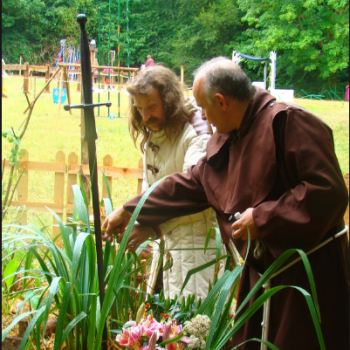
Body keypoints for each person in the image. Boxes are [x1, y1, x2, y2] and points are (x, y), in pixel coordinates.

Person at [102, 57, 349, 349]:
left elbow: (327, 191)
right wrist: (132, 210)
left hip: (308, 279)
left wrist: (263, 218)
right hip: (263, 275)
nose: (202, 118)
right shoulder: (231, 135)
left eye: (204, 108)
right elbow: (190, 183)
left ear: (221, 102)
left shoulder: (289, 122)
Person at [104, 65, 226, 301]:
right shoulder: (153, 133)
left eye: (151, 106)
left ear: (169, 100)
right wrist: (139, 223)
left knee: (192, 329)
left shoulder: (197, 131)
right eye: (139, 108)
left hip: (196, 246)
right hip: (167, 248)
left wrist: (133, 211)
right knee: (161, 328)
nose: (145, 116)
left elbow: (194, 191)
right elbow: (151, 187)